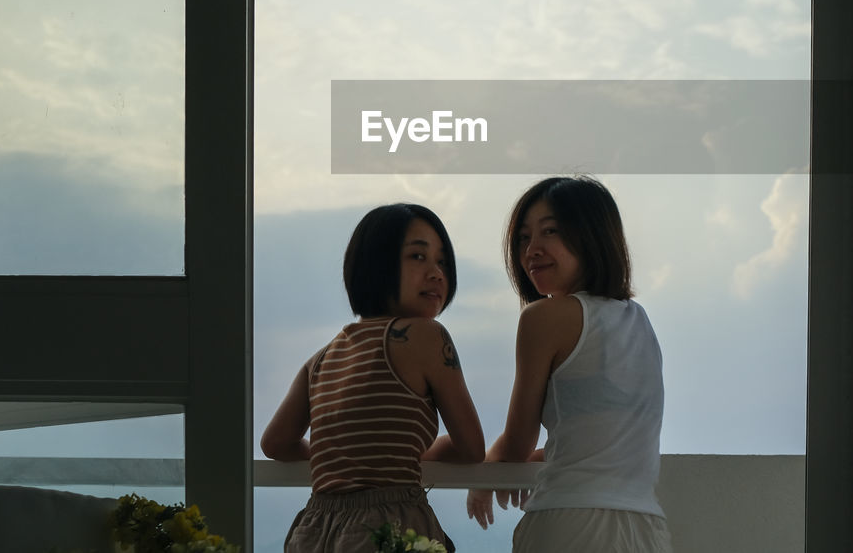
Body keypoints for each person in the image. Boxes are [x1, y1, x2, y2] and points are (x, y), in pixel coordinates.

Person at [263, 203, 485, 553]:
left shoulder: (320, 359)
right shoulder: (425, 336)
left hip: (315, 528)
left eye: (442, 262)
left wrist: (339, 461)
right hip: (389, 527)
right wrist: (423, 455)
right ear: (376, 266)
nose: (436, 272)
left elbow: (274, 444)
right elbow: (471, 447)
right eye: (417, 256)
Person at [467, 176, 671, 552]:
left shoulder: (543, 318)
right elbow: (605, 433)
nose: (532, 250)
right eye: (524, 238)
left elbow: (516, 443)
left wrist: (488, 468)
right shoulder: (639, 321)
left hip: (569, 523)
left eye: (551, 231)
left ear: (591, 236)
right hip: (645, 529)